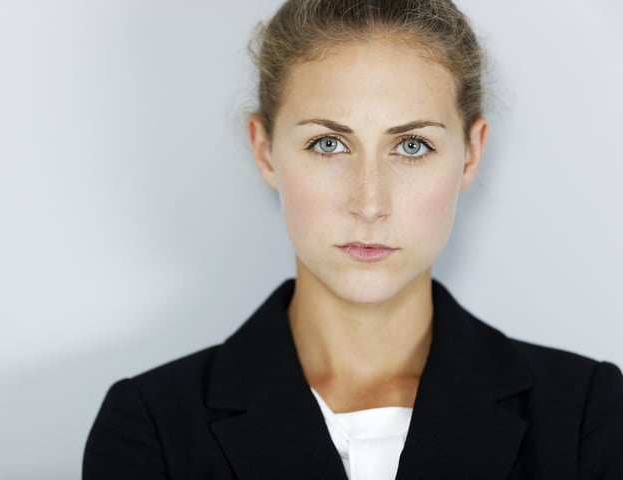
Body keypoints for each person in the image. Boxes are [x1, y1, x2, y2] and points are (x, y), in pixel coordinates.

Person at [82, 0, 623, 478]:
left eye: (411, 146)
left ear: (471, 153)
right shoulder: (150, 428)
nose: (369, 203)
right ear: (265, 150)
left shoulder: (586, 415)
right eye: (327, 144)